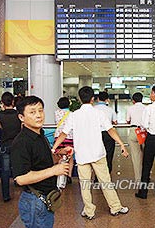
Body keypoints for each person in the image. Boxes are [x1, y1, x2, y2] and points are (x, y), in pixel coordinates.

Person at [54, 86, 129, 220]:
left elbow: (63, 134)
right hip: (98, 153)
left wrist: (54, 148)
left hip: (82, 155)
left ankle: (89, 211)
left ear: (79, 99)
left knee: (85, 184)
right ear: (93, 99)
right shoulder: (99, 114)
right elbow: (110, 130)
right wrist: (122, 144)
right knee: (105, 182)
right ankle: (115, 207)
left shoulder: (74, 115)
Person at [11, 96, 71, 228]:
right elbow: (20, 178)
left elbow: (41, 159)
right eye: (32, 112)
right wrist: (54, 171)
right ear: (21, 117)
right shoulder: (22, 142)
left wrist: (59, 154)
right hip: (35, 201)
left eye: (40, 110)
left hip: (45, 198)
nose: (39, 115)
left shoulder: (39, 134)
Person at [0, 92, 22, 202]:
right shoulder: (18, 114)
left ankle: (6, 195)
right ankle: (21, 187)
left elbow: (0, 126)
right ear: (13, 101)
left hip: (5, 144)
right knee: (19, 168)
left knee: (5, 171)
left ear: (2, 103)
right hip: (17, 144)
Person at [94, 91, 118, 174]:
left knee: (97, 154)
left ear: (97, 99)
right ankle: (107, 173)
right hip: (108, 133)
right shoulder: (110, 110)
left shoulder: (93, 109)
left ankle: (97, 177)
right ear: (107, 99)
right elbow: (115, 122)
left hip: (96, 134)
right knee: (109, 154)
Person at [53, 97, 74, 184]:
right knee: (70, 157)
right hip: (69, 136)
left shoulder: (56, 113)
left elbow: (56, 123)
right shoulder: (72, 114)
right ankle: (69, 175)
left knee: (59, 155)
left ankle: (59, 174)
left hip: (58, 137)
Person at [126, 92, 146, 181]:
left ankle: (138, 180)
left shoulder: (130, 108)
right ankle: (146, 177)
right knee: (146, 157)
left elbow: (127, 120)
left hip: (134, 131)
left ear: (133, 101)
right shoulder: (146, 108)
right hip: (144, 132)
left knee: (136, 157)